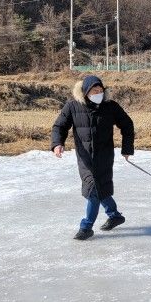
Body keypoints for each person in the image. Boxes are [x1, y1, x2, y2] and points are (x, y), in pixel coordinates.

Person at [51, 75, 135, 240]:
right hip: (85, 158)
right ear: (85, 92)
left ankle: (86, 227)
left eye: (101, 90)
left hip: (104, 156)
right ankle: (114, 215)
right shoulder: (73, 107)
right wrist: (57, 144)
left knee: (96, 189)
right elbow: (59, 126)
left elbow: (127, 125)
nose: (98, 93)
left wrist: (127, 148)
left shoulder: (110, 107)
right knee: (95, 188)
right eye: (94, 91)